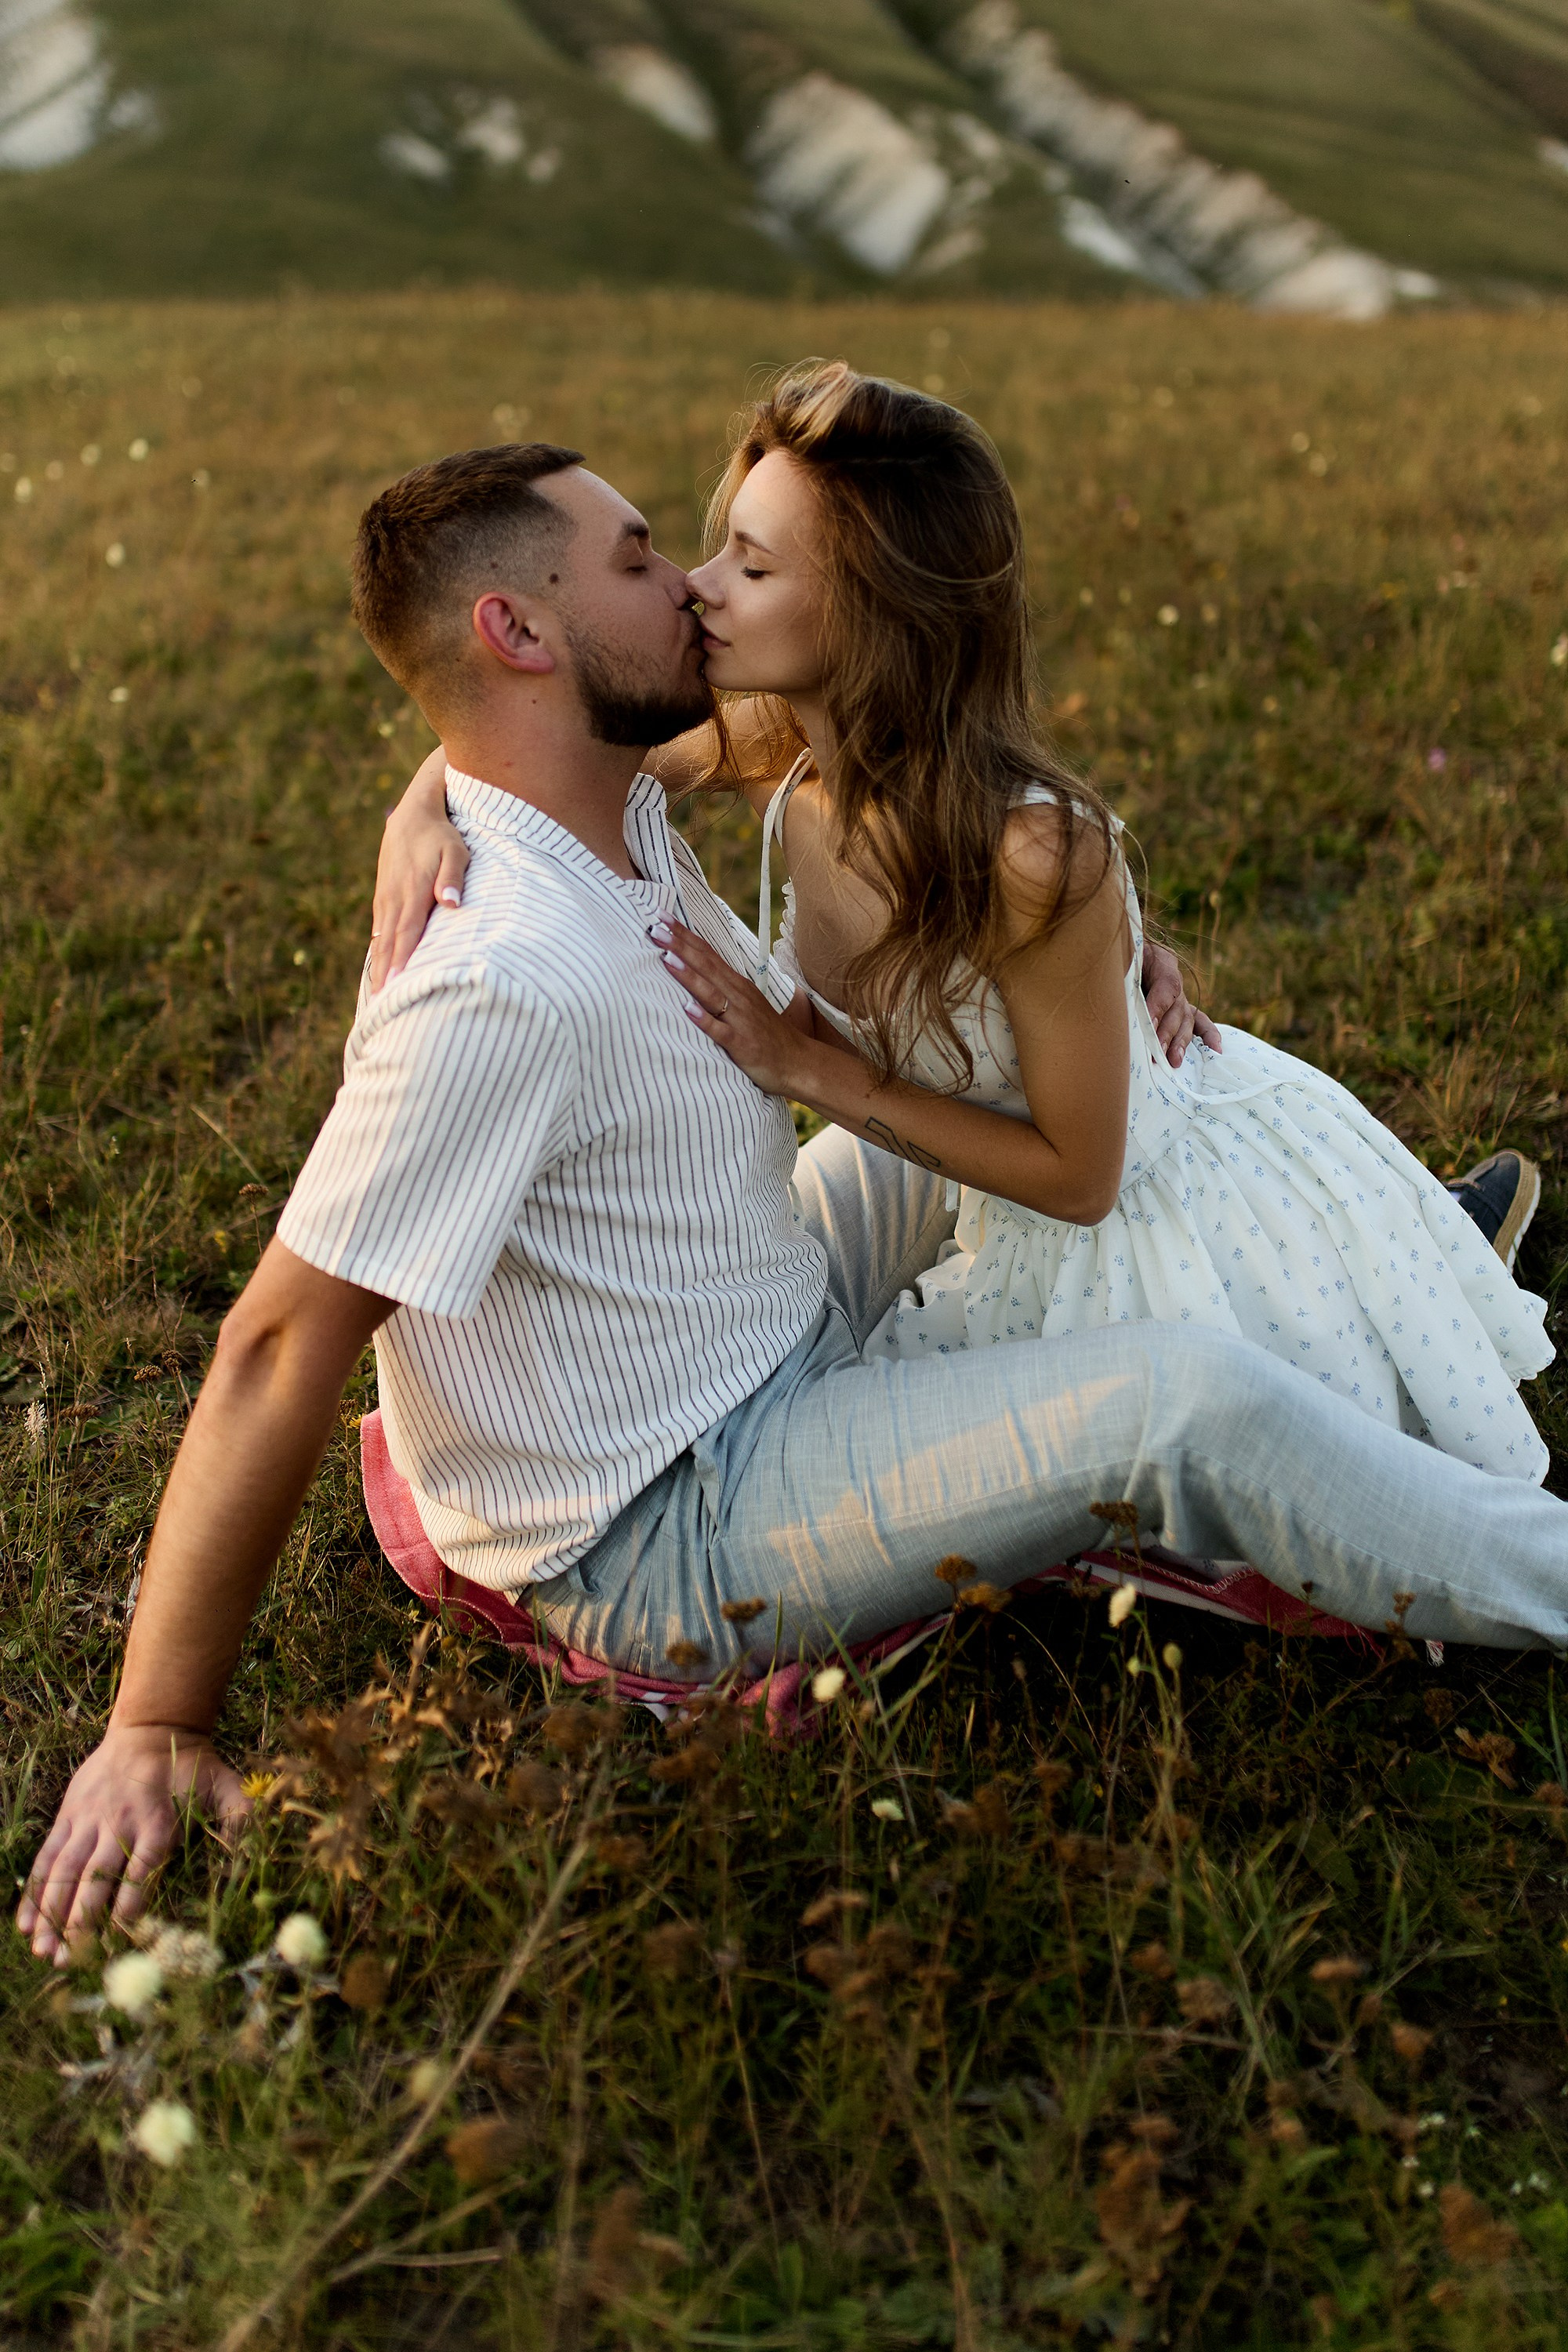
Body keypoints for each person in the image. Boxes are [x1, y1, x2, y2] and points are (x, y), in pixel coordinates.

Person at [19, 439, 1568, 1973]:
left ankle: (1345, 1284)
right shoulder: (496, 982)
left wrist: (428, 782)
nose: (687, 586)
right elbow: (277, 1349)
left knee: (1076, 1083)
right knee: (1184, 1402)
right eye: (639, 557)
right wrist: (154, 1721)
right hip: (675, 1514)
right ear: (523, 633)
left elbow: (486, 727)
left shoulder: (594, 791)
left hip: (754, 1304)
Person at [379, 364, 1551, 1482]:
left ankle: (1384, 1251)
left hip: (1139, 1218)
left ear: (876, 608)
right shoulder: (778, 744)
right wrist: (421, 804)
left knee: (1212, 1483)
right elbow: (539, 746)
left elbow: (1083, 1182)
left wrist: (808, 1067)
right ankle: (1404, 1242)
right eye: (720, 545)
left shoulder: (1028, 857)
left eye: (753, 563)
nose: (699, 584)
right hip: (982, 1192)